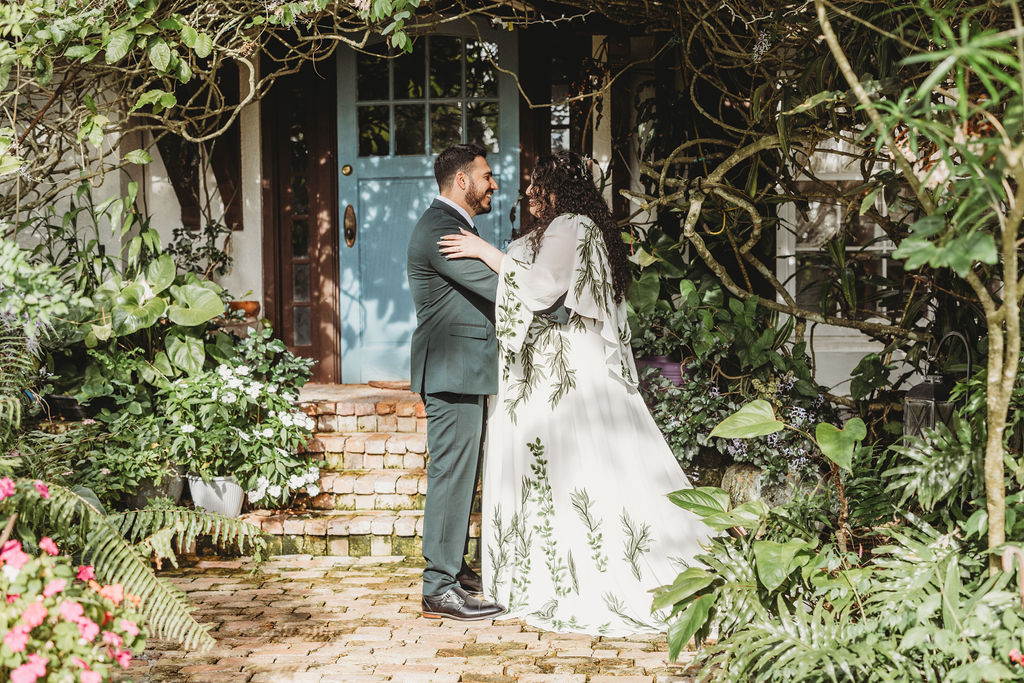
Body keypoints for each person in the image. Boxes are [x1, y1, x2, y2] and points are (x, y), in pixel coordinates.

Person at [438, 150, 712, 635]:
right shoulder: (571, 227)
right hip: (556, 358)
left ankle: (581, 569)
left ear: (554, 188)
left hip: (564, 362)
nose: (525, 194)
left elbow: (542, 288)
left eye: (534, 185)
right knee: (568, 460)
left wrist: (484, 252)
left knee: (573, 459)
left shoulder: (570, 225)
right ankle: (555, 559)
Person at [406, 143, 507, 621]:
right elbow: (498, 288)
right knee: (450, 476)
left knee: (463, 477)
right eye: (486, 176)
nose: (493, 184)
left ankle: (454, 569)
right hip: (451, 371)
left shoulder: (456, 227)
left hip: (465, 369)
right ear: (462, 181)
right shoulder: (442, 230)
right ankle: (438, 587)